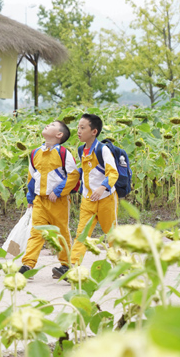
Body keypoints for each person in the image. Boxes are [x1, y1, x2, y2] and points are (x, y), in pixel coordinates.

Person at [19, 120, 79, 277]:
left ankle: (66, 265)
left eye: (52, 125)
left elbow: (73, 176)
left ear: (59, 135)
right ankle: (28, 265)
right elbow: (31, 177)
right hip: (39, 201)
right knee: (36, 232)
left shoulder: (63, 153)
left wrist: (58, 191)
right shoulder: (35, 153)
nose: (47, 125)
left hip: (58, 202)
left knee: (61, 233)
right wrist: (30, 198)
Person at [64, 114, 119, 278]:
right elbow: (84, 171)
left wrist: (103, 187)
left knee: (112, 234)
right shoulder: (81, 150)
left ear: (94, 131)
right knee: (82, 233)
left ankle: (122, 267)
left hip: (106, 199)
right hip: (87, 199)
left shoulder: (103, 149)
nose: (78, 131)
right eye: (78, 127)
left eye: (83, 128)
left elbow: (113, 172)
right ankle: (73, 267)